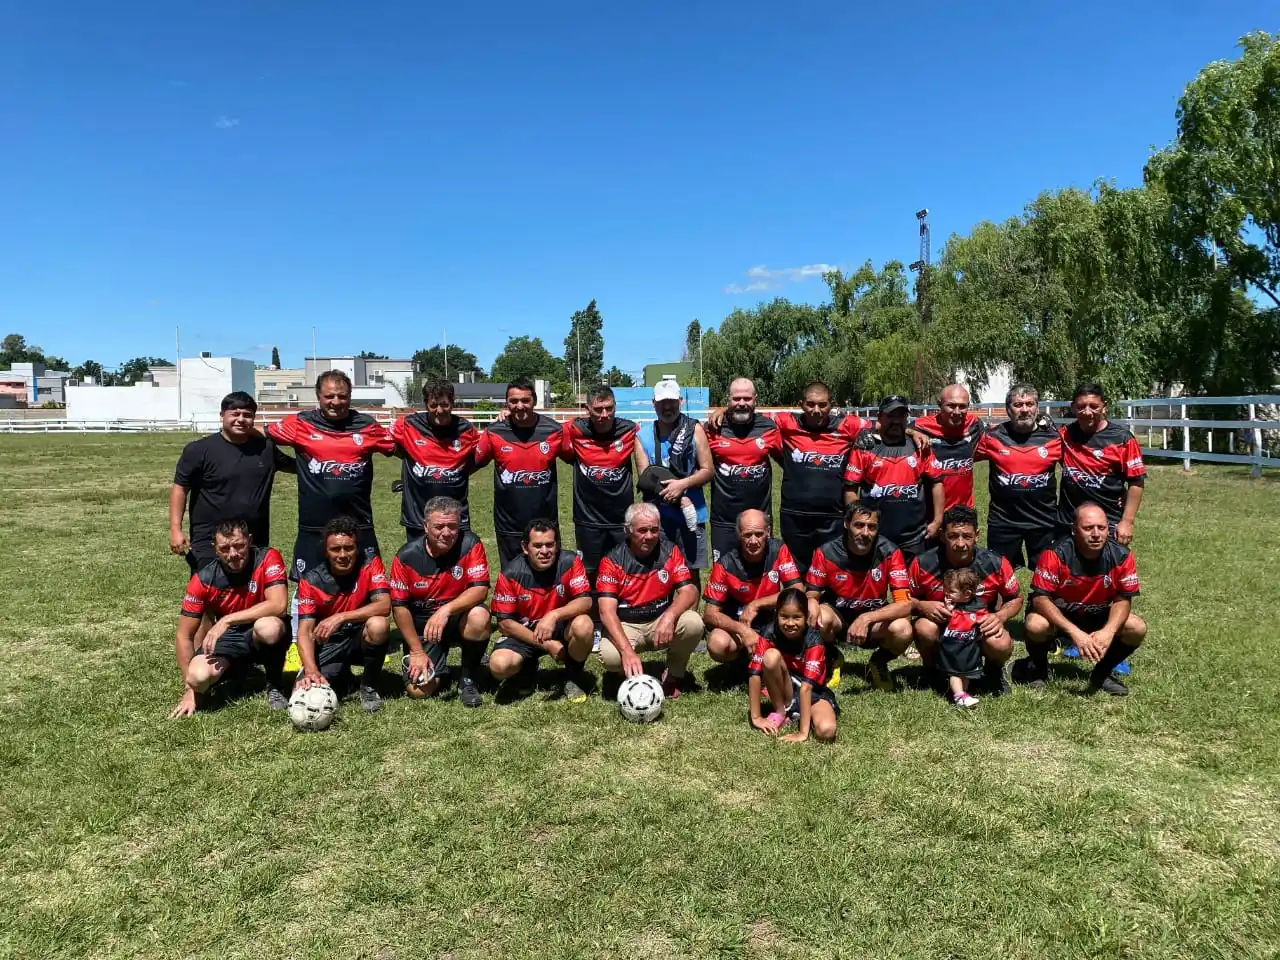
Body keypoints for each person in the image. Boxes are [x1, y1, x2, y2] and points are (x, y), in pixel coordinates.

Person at [267, 370, 396, 583]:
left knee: (366, 584)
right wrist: (288, 465)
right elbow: (261, 438)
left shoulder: (367, 426)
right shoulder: (300, 423)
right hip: (314, 525)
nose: (336, 402)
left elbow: (400, 448)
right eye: (329, 396)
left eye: (342, 396)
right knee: (309, 586)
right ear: (318, 396)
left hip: (358, 523)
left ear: (350, 396)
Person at [1015, 504, 1146, 696]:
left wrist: (1108, 632)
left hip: (1096, 614)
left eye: (1101, 528)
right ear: (1074, 530)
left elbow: (1123, 599)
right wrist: (1075, 633)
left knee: (1136, 628)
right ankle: (1039, 670)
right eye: (1088, 528)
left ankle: (1102, 674)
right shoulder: (1055, 553)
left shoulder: (1122, 556)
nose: (1096, 534)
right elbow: (1040, 599)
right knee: (1036, 624)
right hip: (1060, 615)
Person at [169, 519, 290, 718]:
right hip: (231, 636)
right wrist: (190, 689)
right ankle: (241, 673)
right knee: (198, 677)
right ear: (215, 548)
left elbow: (278, 605)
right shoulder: (203, 579)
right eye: (224, 548)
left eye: (239, 545)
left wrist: (226, 620)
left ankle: (275, 685)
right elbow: (184, 635)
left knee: (268, 628)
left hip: (262, 625)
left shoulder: (267, 557)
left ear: (249, 540)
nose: (233, 553)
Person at [169, 391, 295, 572]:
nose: (241, 419)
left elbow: (301, 467)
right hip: (210, 539)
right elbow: (180, 489)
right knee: (211, 585)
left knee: (252, 587)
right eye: (235, 414)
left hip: (252, 538)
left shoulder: (266, 449)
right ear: (222, 415)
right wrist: (175, 529)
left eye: (247, 415)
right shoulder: (199, 450)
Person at [389, 496, 492, 707]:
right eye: (439, 527)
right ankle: (438, 669)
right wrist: (417, 651)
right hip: (424, 628)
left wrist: (445, 611)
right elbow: (399, 608)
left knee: (480, 615)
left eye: (452, 526)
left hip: (455, 618)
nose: (446, 533)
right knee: (419, 691)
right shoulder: (406, 557)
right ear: (425, 526)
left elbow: (480, 590)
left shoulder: (470, 544)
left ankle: (468, 679)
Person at [908, 505, 1021, 696]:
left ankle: (993, 673)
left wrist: (1000, 616)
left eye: (967, 536)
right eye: (953, 536)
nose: (960, 543)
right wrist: (921, 605)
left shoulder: (995, 563)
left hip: (979, 626)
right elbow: (903, 598)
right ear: (942, 535)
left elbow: (1015, 598)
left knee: (1000, 643)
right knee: (923, 628)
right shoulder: (923, 563)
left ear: (976, 535)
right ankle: (933, 672)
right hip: (942, 626)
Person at [595, 502, 704, 698]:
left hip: (660, 621)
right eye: (642, 530)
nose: (649, 536)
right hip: (627, 624)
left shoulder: (670, 551)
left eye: (654, 530)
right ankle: (623, 674)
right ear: (628, 530)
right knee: (611, 656)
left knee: (693, 623)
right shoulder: (612, 561)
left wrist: (669, 617)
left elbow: (689, 591)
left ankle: (673, 675)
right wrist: (627, 651)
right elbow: (606, 612)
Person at [805, 500, 914, 691]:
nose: (865, 533)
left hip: (873, 622)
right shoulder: (826, 552)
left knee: (903, 628)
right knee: (817, 614)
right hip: (838, 619)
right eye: (859, 525)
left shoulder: (890, 552)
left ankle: (878, 663)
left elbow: (905, 605)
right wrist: (811, 605)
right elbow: (811, 595)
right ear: (846, 524)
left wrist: (866, 618)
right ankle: (831, 657)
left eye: (871, 527)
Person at [293, 516, 392, 713]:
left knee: (379, 625)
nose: (343, 554)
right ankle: (342, 675)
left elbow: (384, 605)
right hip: (329, 641)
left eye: (349, 548)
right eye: (335, 549)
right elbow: (305, 630)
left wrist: (340, 617)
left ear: (357, 548)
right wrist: (310, 669)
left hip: (359, 636)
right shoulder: (311, 580)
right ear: (326, 551)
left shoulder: (370, 564)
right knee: (309, 691)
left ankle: (369, 686)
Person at [489, 519, 594, 702]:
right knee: (499, 665)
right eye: (537, 546)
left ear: (557, 545)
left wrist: (554, 615)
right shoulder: (510, 573)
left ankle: (572, 677)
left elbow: (585, 601)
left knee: (584, 625)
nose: (544, 551)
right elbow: (504, 623)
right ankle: (525, 671)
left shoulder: (570, 561)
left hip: (559, 628)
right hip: (525, 634)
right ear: (525, 547)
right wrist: (546, 644)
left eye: (549, 545)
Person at [474, 379, 565, 567]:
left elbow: (577, 458)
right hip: (508, 525)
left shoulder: (554, 430)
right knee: (512, 576)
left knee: (548, 576)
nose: (520, 406)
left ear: (535, 401)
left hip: (545, 525)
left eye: (525, 400)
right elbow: (471, 464)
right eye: (514, 401)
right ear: (506, 403)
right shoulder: (494, 432)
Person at [843, 396, 945, 562]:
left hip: (914, 537)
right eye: (891, 416)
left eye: (901, 416)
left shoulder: (920, 446)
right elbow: (850, 490)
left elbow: (937, 483)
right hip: (875, 536)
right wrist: (860, 523)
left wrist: (937, 521)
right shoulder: (865, 447)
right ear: (880, 417)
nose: (896, 421)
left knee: (915, 578)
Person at [634, 378, 713, 584]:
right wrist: (680, 499)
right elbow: (646, 480)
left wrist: (682, 485)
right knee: (660, 574)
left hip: (693, 516)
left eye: (671, 401)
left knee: (691, 574)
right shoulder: (642, 436)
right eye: (662, 402)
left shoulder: (694, 430)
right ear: (654, 403)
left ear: (680, 401)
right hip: (657, 519)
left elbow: (708, 470)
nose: (667, 407)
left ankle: (690, 608)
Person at [975, 384, 1062, 569]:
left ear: (1037, 408)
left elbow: (1079, 466)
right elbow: (960, 456)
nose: (1024, 410)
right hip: (1003, 522)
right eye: (1018, 405)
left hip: (1044, 522)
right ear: (1008, 409)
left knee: (1048, 575)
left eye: (1029, 404)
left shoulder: (1054, 438)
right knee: (998, 575)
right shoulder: (991, 437)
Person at [702, 509, 803, 668]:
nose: (754, 541)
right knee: (717, 643)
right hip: (740, 624)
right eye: (747, 535)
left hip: (774, 622)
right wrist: (743, 630)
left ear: (768, 531)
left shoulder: (779, 550)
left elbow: (797, 591)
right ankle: (741, 664)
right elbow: (709, 614)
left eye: (759, 534)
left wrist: (756, 605)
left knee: (807, 608)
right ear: (738, 534)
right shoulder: (725, 565)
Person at [390, 379, 483, 543]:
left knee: (458, 559)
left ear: (452, 403)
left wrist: (460, 472)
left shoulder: (467, 430)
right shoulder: (408, 425)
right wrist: (408, 457)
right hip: (418, 517)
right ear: (426, 404)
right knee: (419, 559)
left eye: (444, 404)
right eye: (433, 405)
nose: (439, 410)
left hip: (455, 518)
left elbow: (482, 456)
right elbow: (383, 443)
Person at [560, 385, 639, 577]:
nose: (604, 414)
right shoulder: (574, 429)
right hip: (587, 521)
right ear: (587, 409)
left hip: (621, 520)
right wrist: (507, 415)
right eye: (598, 409)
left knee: (622, 572)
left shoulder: (630, 430)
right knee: (590, 574)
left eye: (609, 408)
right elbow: (538, 427)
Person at [703, 377, 782, 564]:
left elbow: (788, 464)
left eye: (747, 398)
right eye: (736, 398)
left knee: (761, 572)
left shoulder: (769, 428)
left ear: (755, 400)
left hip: (759, 520)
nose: (741, 403)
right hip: (724, 520)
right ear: (728, 400)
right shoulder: (712, 429)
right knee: (723, 571)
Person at [1058, 383, 1146, 546]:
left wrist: (1127, 522)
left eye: (1094, 406)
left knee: (1106, 563)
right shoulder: (1064, 435)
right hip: (1068, 522)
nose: (1087, 412)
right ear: (1073, 408)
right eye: (1081, 406)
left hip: (1107, 523)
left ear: (1104, 407)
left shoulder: (1123, 439)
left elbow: (1136, 482)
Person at [747, 588, 838, 743]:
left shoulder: (814, 640)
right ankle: (781, 712)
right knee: (770, 656)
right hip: (786, 689)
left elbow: (807, 687)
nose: (790, 623)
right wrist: (756, 717)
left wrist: (802, 733)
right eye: (784, 617)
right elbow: (754, 673)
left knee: (826, 731)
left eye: (797, 617)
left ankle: (802, 715)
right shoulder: (769, 632)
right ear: (776, 615)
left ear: (806, 617)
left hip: (812, 692)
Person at [911, 383, 985, 513]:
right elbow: (894, 430)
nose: (957, 412)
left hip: (963, 513)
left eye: (962, 406)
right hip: (930, 513)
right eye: (951, 405)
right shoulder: (921, 426)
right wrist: (911, 432)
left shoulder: (974, 425)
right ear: (939, 405)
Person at [936, 568, 986, 709]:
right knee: (955, 673)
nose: (947, 594)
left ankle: (963, 695)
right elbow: (946, 621)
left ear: (967, 594)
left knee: (965, 674)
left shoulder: (977, 608)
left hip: (968, 648)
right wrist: (948, 609)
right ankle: (959, 695)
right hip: (952, 648)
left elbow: (984, 621)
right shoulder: (952, 606)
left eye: (951, 591)